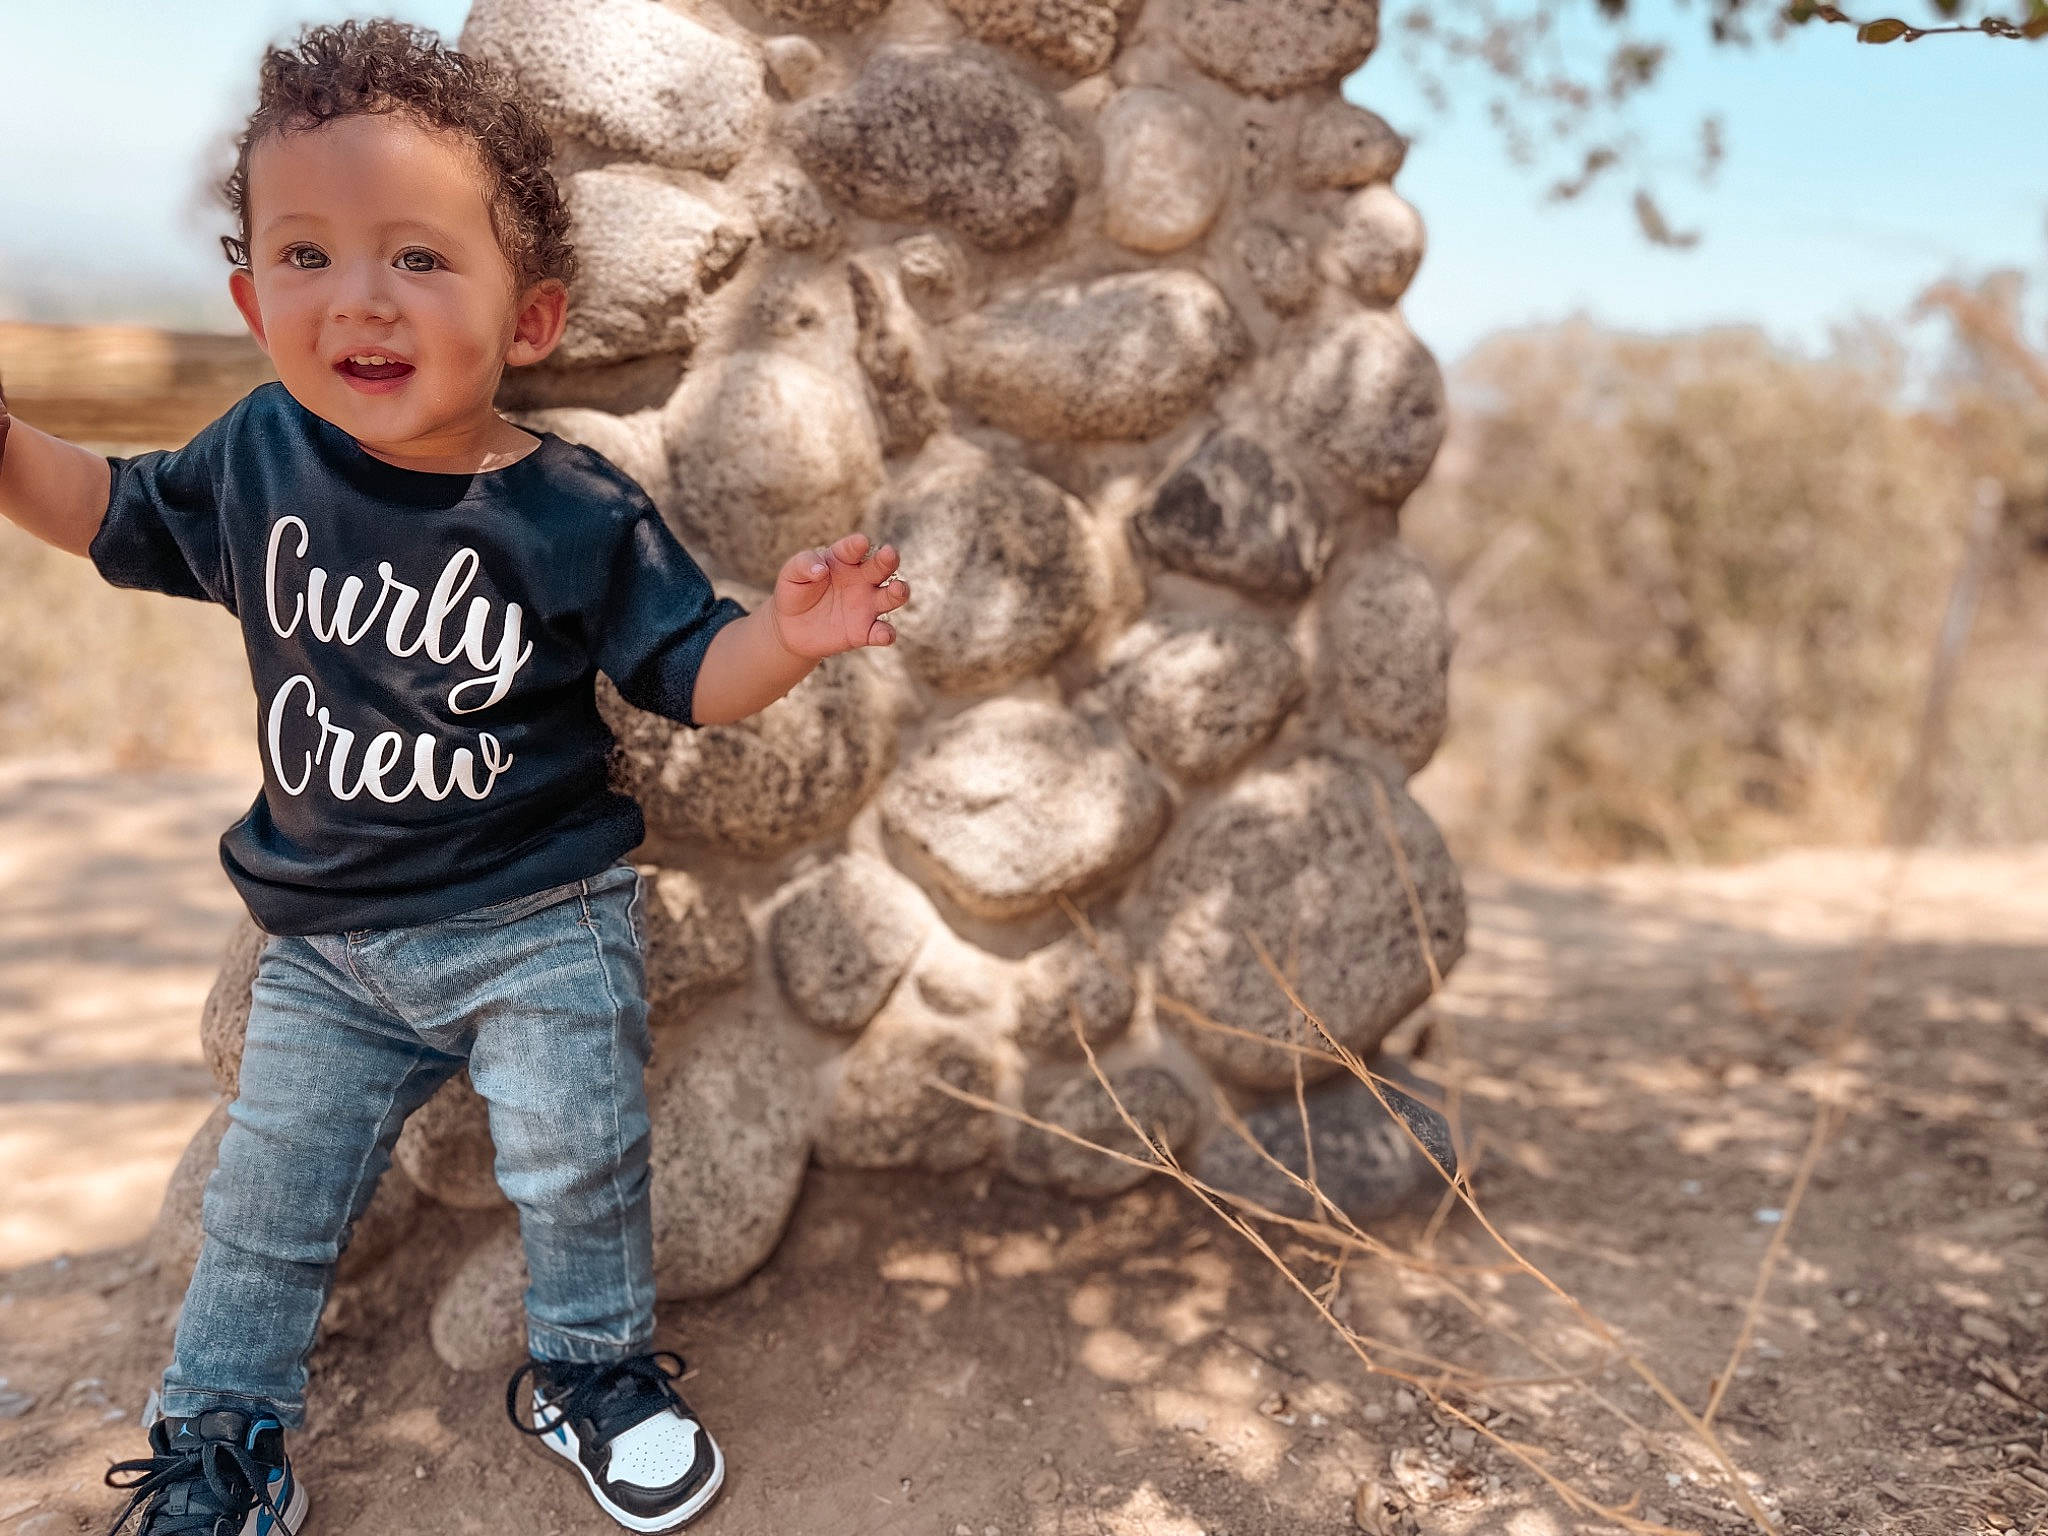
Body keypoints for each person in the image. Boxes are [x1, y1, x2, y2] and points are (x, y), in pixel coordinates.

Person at [0, 19, 911, 1535]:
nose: (359, 295)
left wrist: (788, 637)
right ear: (249, 299)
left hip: (537, 923)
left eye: (419, 258)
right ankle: (224, 1442)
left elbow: (687, 673)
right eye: (306, 256)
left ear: (530, 313)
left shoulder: (572, 512)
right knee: (267, 1215)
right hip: (324, 953)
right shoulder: (254, 460)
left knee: (582, 1161)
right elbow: (106, 511)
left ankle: (591, 1369)